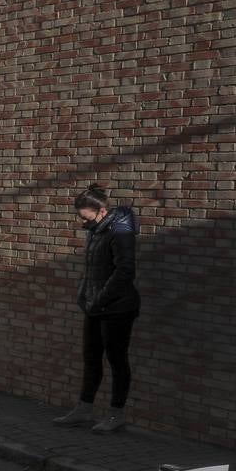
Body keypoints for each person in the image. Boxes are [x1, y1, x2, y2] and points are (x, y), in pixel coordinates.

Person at [53, 184, 140, 433]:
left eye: (83, 214)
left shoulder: (120, 232)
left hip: (117, 308)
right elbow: (92, 269)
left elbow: (125, 271)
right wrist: (85, 295)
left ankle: (116, 414)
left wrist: (100, 298)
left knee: (116, 360)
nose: (80, 218)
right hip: (95, 305)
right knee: (91, 358)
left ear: (100, 210)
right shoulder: (95, 230)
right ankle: (84, 409)